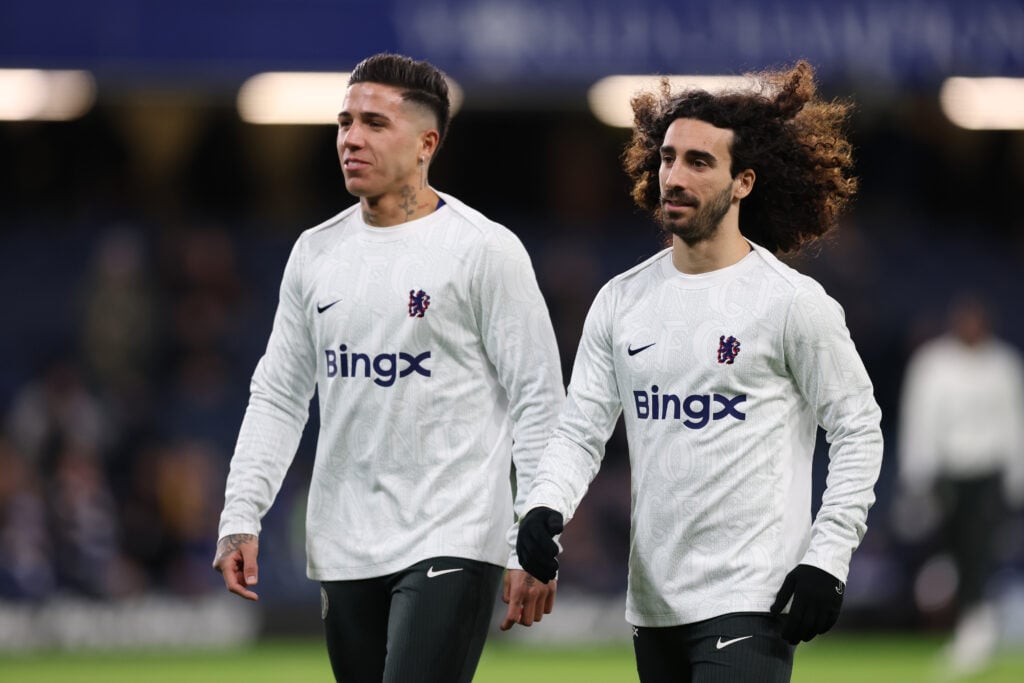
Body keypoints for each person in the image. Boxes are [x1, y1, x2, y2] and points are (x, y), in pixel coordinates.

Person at [516, 61, 883, 683]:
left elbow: (857, 429)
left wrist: (828, 558)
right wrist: (542, 507)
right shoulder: (621, 300)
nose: (675, 177)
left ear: (743, 182)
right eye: (667, 158)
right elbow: (580, 430)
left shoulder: (791, 303)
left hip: (751, 599)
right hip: (653, 606)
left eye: (698, 163)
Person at [212, 53, 564, 682]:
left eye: (374, 123)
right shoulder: (316, 253)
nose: (351, 138)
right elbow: (279, 396)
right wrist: (241, 514)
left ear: (427, 143)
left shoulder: (484, 251)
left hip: (451, 535)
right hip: (344, 543)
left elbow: (539, 399)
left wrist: (533, 542)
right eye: (344, 122)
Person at [898, 293, 1024, 676]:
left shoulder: (1003, 365)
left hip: (987, 474)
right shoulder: (933, 364)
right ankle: (962, 624)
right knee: (948, 552)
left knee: (978, 552)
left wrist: (1017, 480)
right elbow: (919, 418)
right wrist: (916, 476)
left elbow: (1014, 423)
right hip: (947, 473)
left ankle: (976, 627)